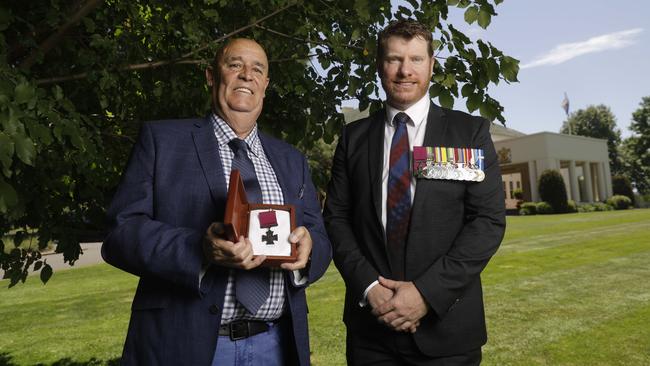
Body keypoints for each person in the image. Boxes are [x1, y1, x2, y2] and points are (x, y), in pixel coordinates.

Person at [102, 38, 331, 366]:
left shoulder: (291, 158)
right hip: (185, 345)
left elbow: (318, 235)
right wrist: (199, 249)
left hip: (277, 345)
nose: (246, 75)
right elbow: (120, 233)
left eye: (257, 69)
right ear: (211, 75)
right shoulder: (162, 141)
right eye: (235, 65)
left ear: (266, 84)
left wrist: (309, 251)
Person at [323, 20, 505, 365]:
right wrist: (368, 287)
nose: (405, 70)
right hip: (370, 335)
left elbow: (487, 221)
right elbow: (336, 218)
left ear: (432, 65)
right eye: (394, 59)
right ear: (379, 66)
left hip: (447, 333)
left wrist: (425, 293)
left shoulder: (469, 133)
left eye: (416, 59)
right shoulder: (353, 138)